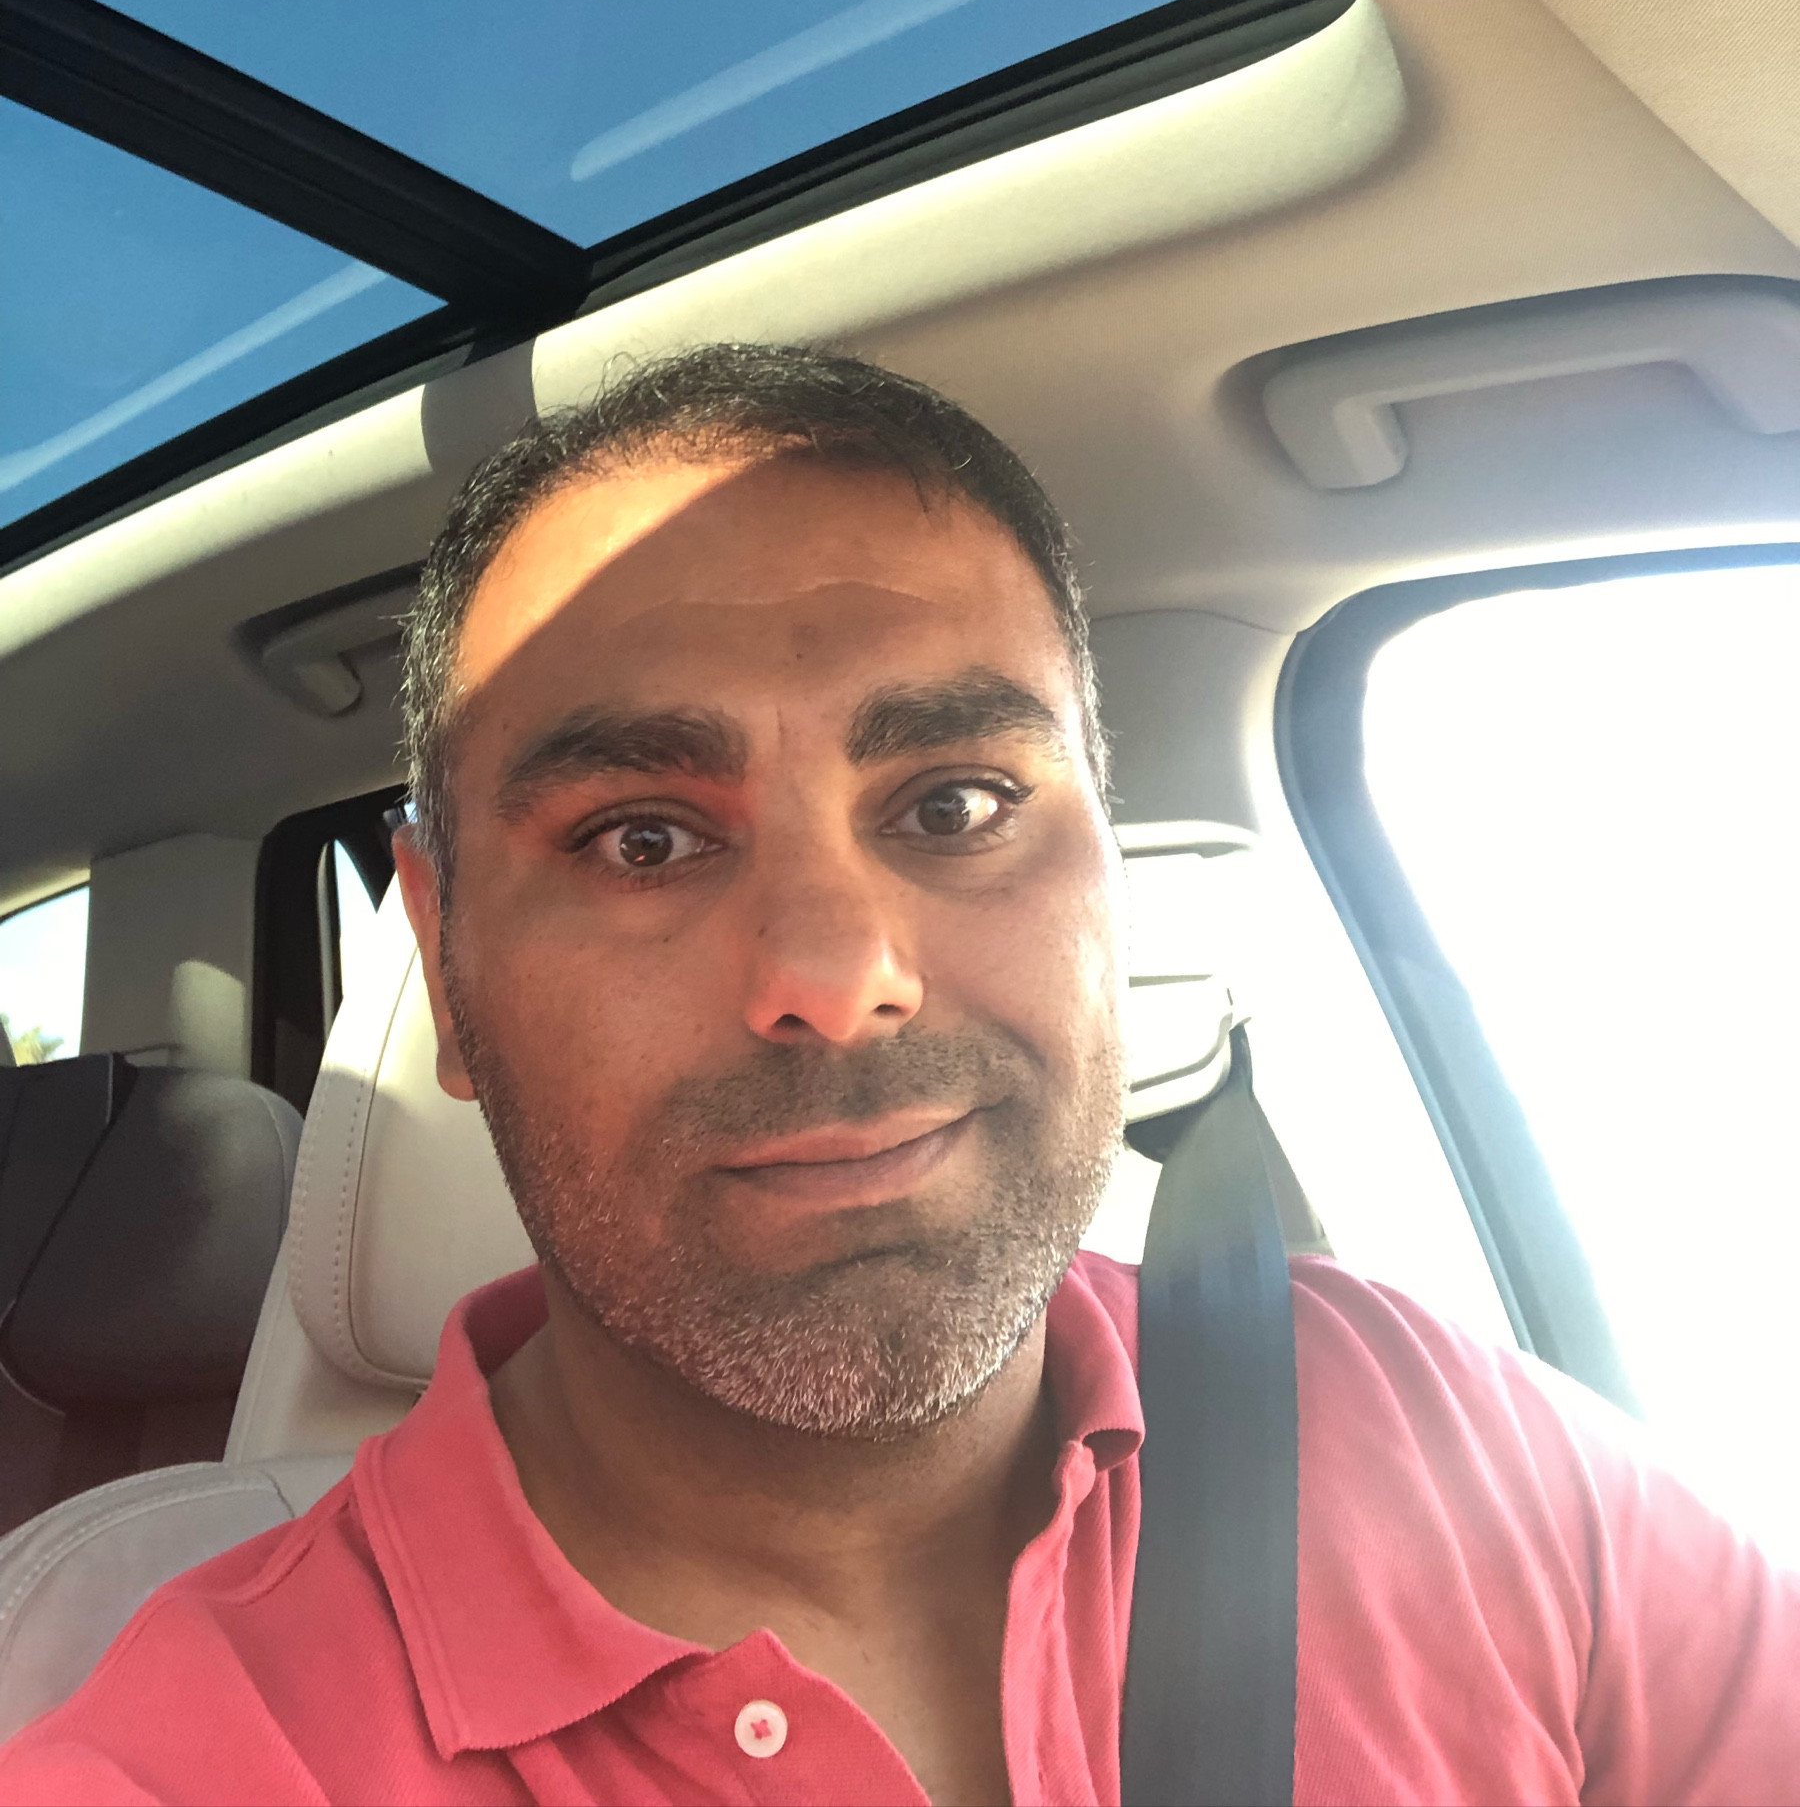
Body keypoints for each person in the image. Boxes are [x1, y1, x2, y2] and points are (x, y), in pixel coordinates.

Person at [2, 342, 1795, 1807]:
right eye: (641, 838)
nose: (837, 976)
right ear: (446, 962)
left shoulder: (1428, 1428)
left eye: (956, 804)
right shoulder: (189, 1754)